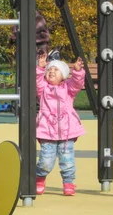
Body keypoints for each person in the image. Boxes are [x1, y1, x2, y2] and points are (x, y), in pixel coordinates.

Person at [35, 52, 85, 197]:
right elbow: (37, 80)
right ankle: (40, 177)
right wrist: (40, 68)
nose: (51, 72)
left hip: (66, 130)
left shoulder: (68, 89)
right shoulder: (43, 89)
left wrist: (77, 71)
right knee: (46, 159)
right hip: (47, 129)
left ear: (63, 75)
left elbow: (77, 84)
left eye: (56, 70)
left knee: (67, 158)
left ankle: (68, 182)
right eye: (50, 70)